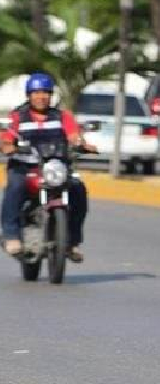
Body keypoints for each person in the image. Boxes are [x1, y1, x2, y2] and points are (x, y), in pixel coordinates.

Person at [1, 73, 95, 261]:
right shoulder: (18, 116)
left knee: (78, 190)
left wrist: (81, 144)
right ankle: (11, 236)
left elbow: (74, 135)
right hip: (25, 167)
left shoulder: (62, 116)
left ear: (51, 95)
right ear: (29, 95)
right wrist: (9, 146)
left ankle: (72, 242)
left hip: (55, 168)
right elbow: (6, 140)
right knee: (15, 187)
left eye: (45, 92)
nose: (41, 97)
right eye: (36, 92)